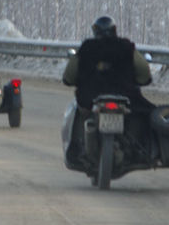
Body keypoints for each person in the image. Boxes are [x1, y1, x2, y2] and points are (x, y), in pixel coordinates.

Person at [62, 15, 154, 158]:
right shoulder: (126, 47)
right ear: (114, 30)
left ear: (96, 31)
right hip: (126, 96)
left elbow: (69, 77)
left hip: (90, 98)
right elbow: (144, 73)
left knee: (79, 115)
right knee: (148, 115)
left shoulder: (86, 48)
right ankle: (145, 149)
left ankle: (77, 149)